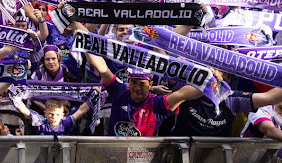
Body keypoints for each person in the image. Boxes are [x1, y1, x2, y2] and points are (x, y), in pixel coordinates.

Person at [71, 21, 204, 136]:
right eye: (134, 82)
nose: (137, 88)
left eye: (142, 84)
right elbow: (101, 66)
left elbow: (183, 94)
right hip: (113, 134)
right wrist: (85, 41)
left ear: (150, 84)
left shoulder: (157, 103)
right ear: (128, 82)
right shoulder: (120, 91)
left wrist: (209, 82)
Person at [12, 97, 92, 135]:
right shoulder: (40, 122)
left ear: (62, 115)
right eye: (51, 114)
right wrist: (14, 98)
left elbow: (81, 111)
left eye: (57, 114)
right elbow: (25, 111)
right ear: (45, 113)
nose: (54, 117)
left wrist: (93, 97)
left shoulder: (66, 122)